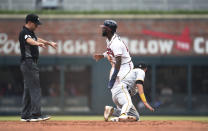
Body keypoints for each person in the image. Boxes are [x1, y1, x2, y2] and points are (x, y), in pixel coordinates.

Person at [93, 20, 135, 122]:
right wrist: (103, 55)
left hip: (125, 70)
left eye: (104, 28)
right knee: (120, 97)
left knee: (129, 94)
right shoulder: (110, 40)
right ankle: (119, 113)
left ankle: (121, 113)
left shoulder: (116, 43)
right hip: (118, 70)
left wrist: (113, 78)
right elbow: (110, 52)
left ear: (109, 30)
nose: (102, 29)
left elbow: (119, 62)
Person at [19, 14, 57, 122]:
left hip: (28, 64)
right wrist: (37, 44)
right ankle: (36, 114)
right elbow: (29, 40)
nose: (37, 26)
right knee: (35, 88)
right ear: (30, 23)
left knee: (28, 89)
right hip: (29, 62)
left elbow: (36, 38)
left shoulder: (30, 33)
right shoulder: (24, 33)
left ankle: (25, 115)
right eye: (36, 24)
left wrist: (49, 43)